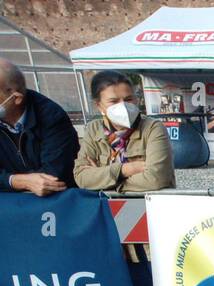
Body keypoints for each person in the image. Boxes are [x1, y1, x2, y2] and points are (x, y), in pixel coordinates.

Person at [74, 71, 175, 193]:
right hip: (108, 208)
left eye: (128, 99)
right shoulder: (93, 130)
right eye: (113, 101)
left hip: (149, 206)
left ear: (136, 99)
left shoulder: (152, 128)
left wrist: (107, 182)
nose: (123, 106)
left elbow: (156, 179)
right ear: (99, 106)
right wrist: (125, 170)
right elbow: (82, 178)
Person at [0, 58, 77, 196]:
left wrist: (8, 181)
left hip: (56, 206)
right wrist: (16, 181)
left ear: (16, 98)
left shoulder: (52, 117)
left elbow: (52, 176)